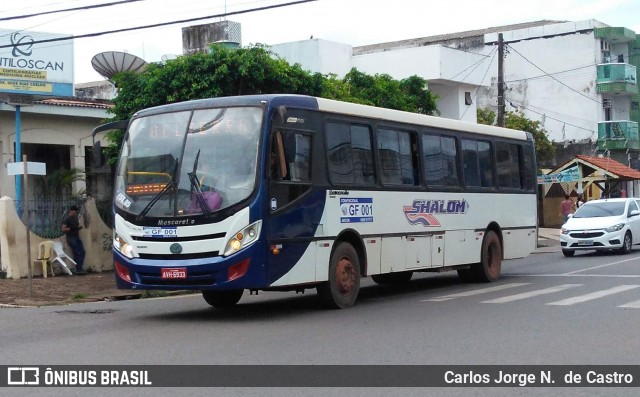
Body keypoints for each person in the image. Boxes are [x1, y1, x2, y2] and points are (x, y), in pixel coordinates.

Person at [61, 205, 86, 275]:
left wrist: (78, 228)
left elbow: (76, 226)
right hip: (71, 238)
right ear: (71, 211)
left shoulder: (75, 218)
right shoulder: (66, 218)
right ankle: (78, 269)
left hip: (77, 237)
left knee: (82, 252)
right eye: (74, 212)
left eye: (76, 213)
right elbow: (63, 229)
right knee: (77, 252)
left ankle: (80, 268)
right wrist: (72, 229)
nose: (75, 214)